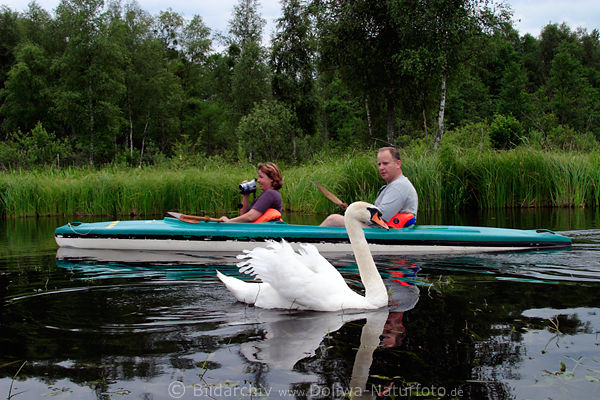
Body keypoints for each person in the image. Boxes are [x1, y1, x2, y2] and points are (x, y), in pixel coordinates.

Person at [320, 146, 418, 227]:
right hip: (380, 231)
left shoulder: (399, 186)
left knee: (333, 220)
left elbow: (380, 217)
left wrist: (354, 211)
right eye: (379, 164)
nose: (381, 168)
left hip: (383, 234)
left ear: (398, 164)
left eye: (385, 163)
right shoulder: (393, 185)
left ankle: (309, 247)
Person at [219, 162, 284, 223]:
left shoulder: (270, 194)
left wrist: (229, 221)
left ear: (272, 179)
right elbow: (243, 216)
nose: (258, 180)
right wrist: (245, 196)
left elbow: (250, 217)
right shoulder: (271, 194)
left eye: (261, 177)